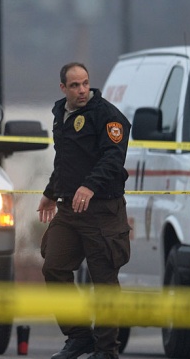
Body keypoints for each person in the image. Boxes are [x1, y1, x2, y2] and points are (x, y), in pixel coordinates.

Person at [37, 62, 132, 359]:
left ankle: (106, 351)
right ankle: (79, 337)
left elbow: (112, 158)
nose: (82, 90)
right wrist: (51, 193)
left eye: (85, 84)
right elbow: (66, 159)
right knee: (54, 267)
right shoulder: (61, 114)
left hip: (103, 210)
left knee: (103, 280)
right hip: (69, 210)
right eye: (75, 85)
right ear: (63, 88)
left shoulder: (107, 116)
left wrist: (90, 186)